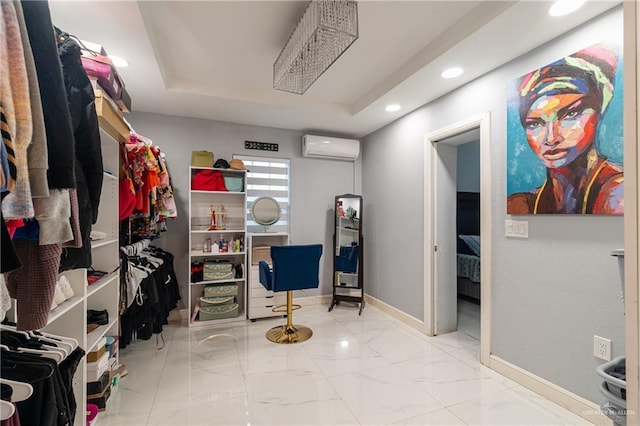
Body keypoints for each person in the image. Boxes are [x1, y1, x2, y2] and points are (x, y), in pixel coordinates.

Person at [507, 44, 623, 215]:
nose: (551, 138)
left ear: (598, 111)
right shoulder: (520, 205)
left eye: (570, 114)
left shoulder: (619, 193)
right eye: (535, 123)